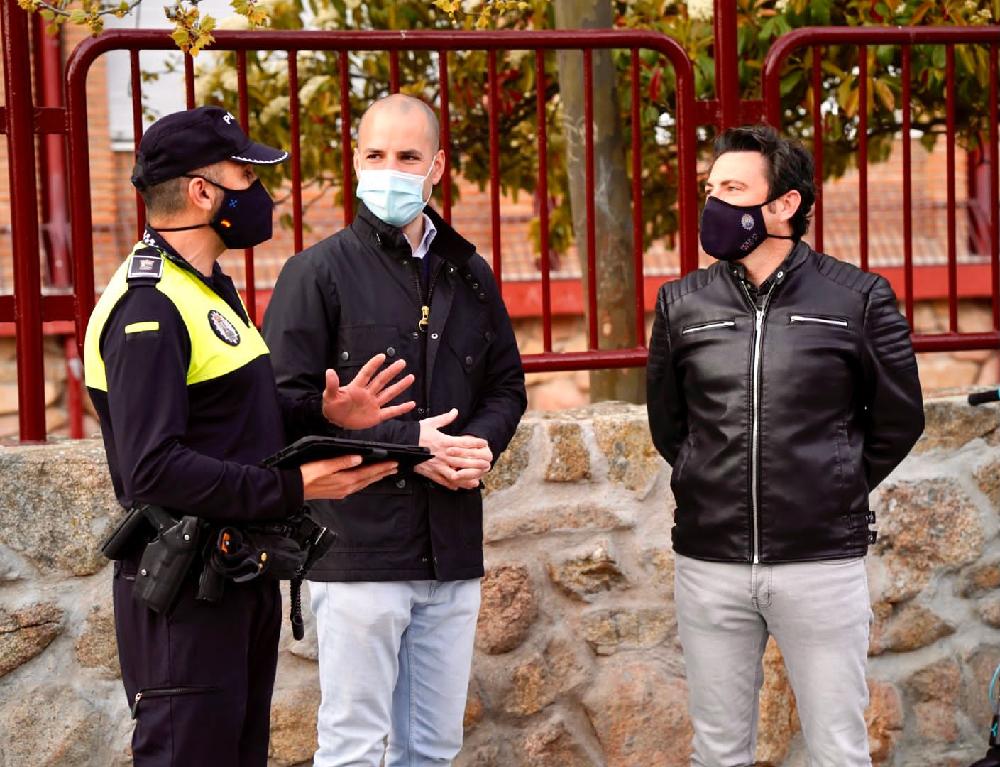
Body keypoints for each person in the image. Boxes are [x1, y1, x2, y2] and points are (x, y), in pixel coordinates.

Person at [83, 105, 415, 767]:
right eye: (246, 175)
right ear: (202, 192)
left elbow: (233, 415)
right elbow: (153, 469)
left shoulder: (206, 288)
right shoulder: (148, 307)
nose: (262, 193)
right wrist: (294, 485)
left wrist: (326, 414)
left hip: (234, 576)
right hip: (186, 596)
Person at [646, 124, 924, 767]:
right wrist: (705, 479)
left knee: (838, 750)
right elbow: (670, 425)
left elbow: (899, 418)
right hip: (710, 563)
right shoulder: (682, 303)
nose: (714, 203)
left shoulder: (857, 298)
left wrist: (834, 482)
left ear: (785, 204)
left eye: (733, 189)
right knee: (718, 751)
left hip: (821, 564)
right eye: (711, 189)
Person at [263, 93, 527, 767]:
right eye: (376, 154)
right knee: (352, 746)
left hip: (451, 547)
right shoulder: (314, 273)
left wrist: (476, 448)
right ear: (355, 162)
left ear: (436, 166)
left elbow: (505, 386)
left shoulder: (469, 273)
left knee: (433, 748)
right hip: (358, 552)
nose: (390, 169)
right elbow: (283, 408)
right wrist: (414, 447)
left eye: (408, 156)